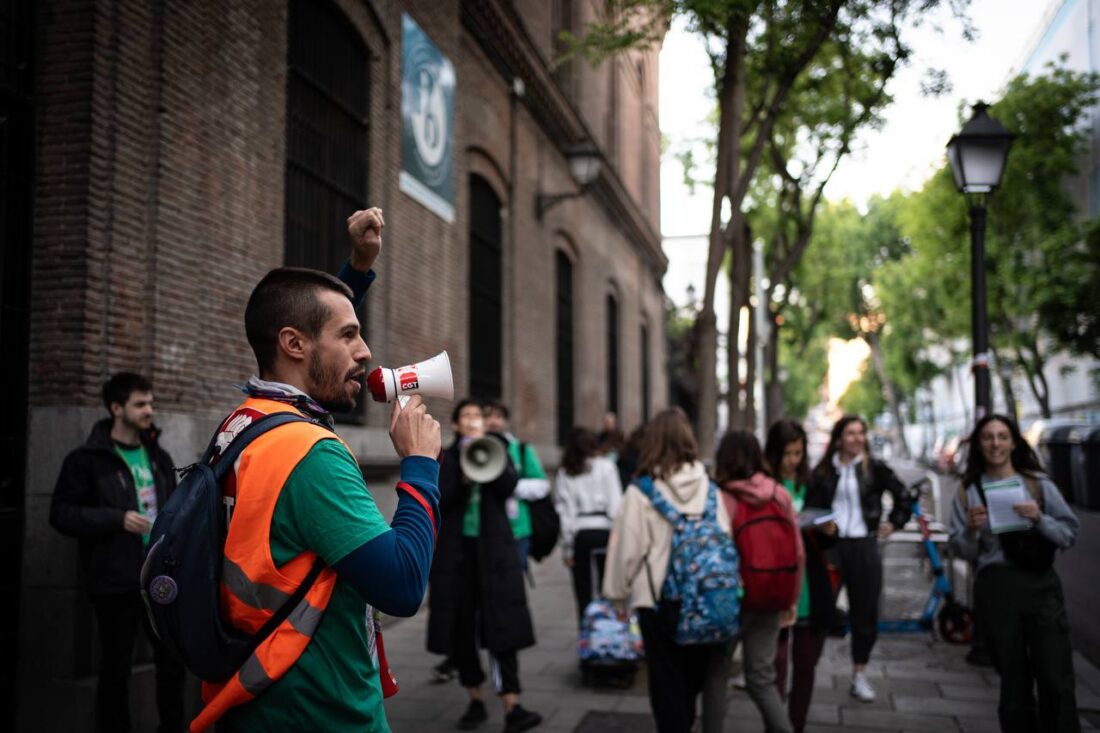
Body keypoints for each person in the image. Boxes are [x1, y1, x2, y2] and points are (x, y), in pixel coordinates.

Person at [188, 208, 444, 733]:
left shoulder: (247, 423)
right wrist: (420, 465)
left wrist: (357, 267)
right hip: (324, 709)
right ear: (293, 345)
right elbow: (401, 585)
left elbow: (309, 325)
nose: (366, 351)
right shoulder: (310, 454)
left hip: (263, 698)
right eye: (351, 335)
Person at [50, 372, 187, 733]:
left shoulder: (158, 456)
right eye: (140, 404)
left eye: (151, 403)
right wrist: (115, 519)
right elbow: (61, 514)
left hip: (158, 579)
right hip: (115, 582)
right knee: (115, 670)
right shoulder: (87, 461)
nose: (149, 411)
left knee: (172, 665)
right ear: (116, 408)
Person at [602, 408, 732, 733]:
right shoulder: (710, 486)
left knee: (666, 684)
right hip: (707, 599)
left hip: (661, 602)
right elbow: (725, 538)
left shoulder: (641, 490)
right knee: (691, 681)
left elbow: (625, 550)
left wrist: (616, 597)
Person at [949, 414, 1079, 733]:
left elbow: (1068, 534)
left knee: (1055, 676)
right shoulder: (968, 491)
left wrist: (1039, 518)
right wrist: (970, 531)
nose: (995, 444)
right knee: (1013, 681)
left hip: (1040, 586)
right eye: (988, 437)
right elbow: (961, 551)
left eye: (1002, 436)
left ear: (1013, 442)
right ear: (978, 445)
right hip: (996, 590)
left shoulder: (1037, 483)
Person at [427, 399, 542, 733]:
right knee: (462, 626)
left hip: (495, 553)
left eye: (477, 415)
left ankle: (512, 704)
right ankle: (474, 699)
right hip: (459, 554)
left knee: (502, 624)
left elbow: (509, 487)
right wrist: (462, 478)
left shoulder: (499, 448)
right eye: (467, 416)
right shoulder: (445, 457)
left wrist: (491, 458)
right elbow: (440, 500)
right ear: (456, 424)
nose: (474, 420)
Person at [805, 414, 911, 703]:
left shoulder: (874, 469)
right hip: (832, 547)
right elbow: (810, 508)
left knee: (865, 613)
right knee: (821, 610)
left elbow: (904, 496)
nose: (857, 439)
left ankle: (859, 675)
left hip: (864, 546)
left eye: (861, 433)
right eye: (851, 433)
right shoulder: (824, 471)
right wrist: (820, 525)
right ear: (839, 437)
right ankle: (806, 671)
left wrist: (894, 522)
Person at [713, 429, 803, 733]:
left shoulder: (721, 497)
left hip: (731, 599)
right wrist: (791, 598)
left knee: (715, 675)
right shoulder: (779, 494)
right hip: (770, 594)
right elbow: (798, 552)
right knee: (762, 678)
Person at [765, 419, 836, 733]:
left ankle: (796, 726)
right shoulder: (763, 485)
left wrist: (829, 531)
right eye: (787, 453)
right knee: (774, 667)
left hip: (810, 586)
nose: (793, 459)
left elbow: (830, 535)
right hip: (775, 586)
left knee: (805, 666)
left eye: (798, 452)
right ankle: (776, 726)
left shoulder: (816, 484)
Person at [554, 426, 623, 623]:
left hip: (580, 534)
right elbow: (616, 506)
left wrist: (567, 549)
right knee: (606, 587)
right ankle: (608, 632)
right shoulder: (607, 467)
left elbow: (565, 513)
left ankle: (586, 632)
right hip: (605, 531)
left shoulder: (566, 472)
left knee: (582, 590)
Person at [482, 399, 552, 571]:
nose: (493, 421)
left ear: (506, 421)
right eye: (488, 416)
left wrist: (510, 486)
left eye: (498, 416)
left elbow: (542, 485)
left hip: (518, 529)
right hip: (483, 529)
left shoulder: (520, 449)